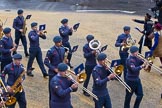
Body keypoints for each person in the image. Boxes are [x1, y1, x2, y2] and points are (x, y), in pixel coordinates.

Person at [44, 36, 65, 104]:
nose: (61, 43)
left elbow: (62, 59)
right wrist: (54, 69)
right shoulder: (51, 51)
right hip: (53, 73)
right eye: (60, 42)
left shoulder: (62, 49)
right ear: (56, 43)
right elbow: (46, 62)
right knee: (52, 91)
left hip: (61, 72)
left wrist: (65, 61)